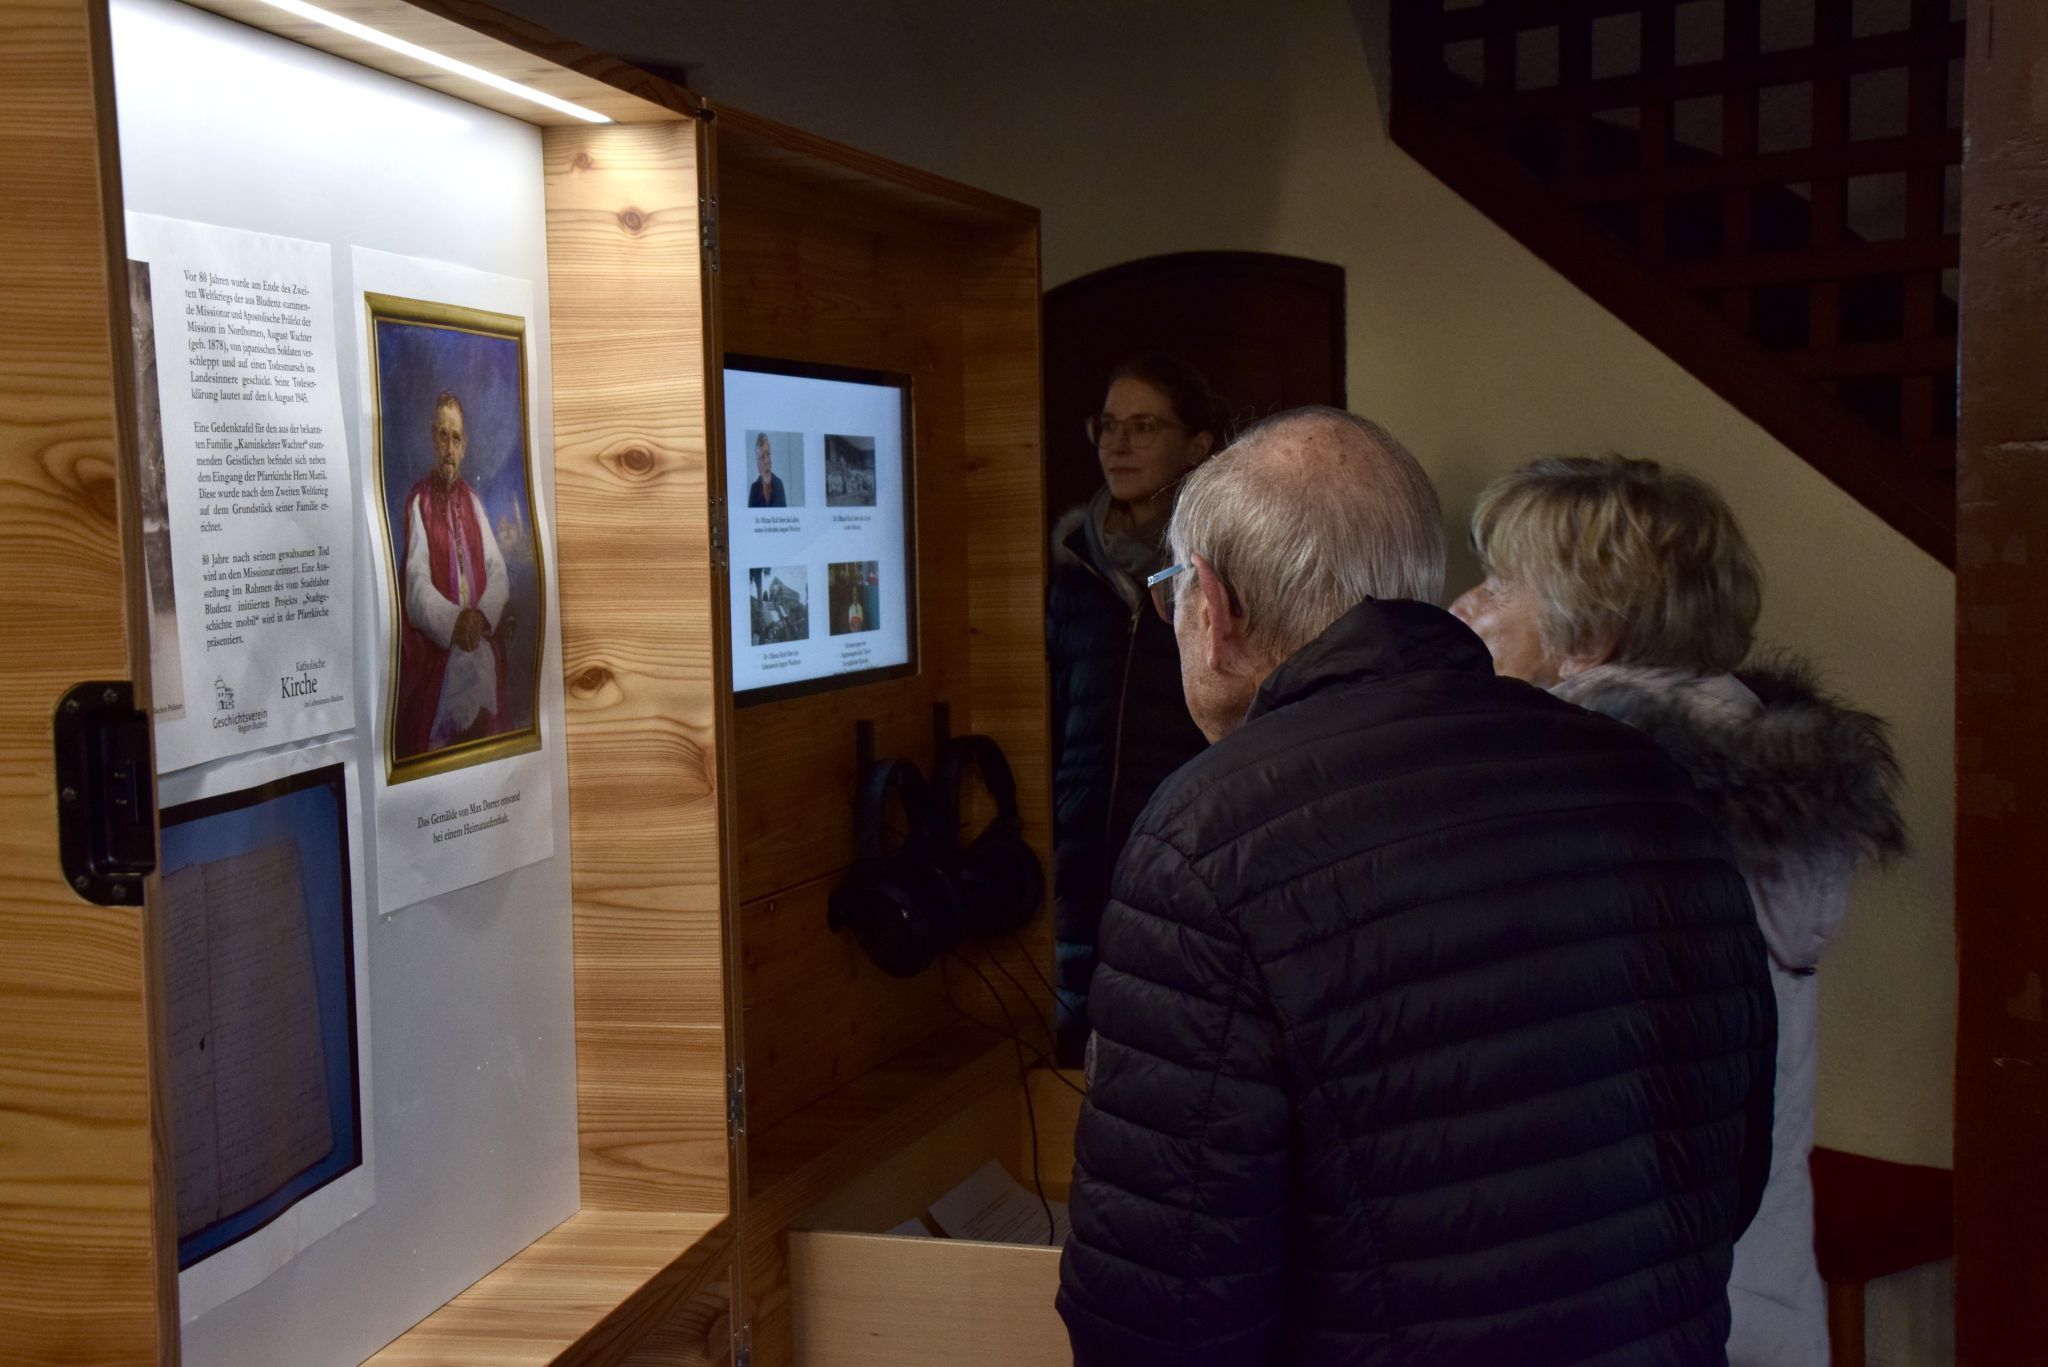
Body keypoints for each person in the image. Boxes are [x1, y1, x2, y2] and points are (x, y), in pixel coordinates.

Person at [1057, 407, 1778, 1367]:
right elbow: (1727, 1178)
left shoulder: (1208, 835)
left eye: (1168, 592)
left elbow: (1157, 1312)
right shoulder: (1648, 779)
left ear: (1214, 605)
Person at [1450, 455, 1905, 1367]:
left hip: (1621, 1306)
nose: (1467, 603)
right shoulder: (1751, 783)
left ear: (1597, 628)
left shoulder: (1582, 793)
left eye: (1501, 581)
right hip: (1757, 1287)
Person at [1046, 353, 1224, 1061]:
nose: (1117, 446)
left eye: (1144, 426)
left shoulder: (1220, 565)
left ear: (1198, 444)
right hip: (1077, 857)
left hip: (1182, 858)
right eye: (1108, 425)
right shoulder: (1070, 567)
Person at [396, 389, 512, 759]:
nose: (449, 446)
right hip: (442, 656)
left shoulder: (474, 503)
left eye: (456, 438)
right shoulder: (420, 501)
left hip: (479, 645)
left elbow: (499, 572)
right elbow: (415, 587)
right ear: (433, 439)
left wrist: (481, 616)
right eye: (443, 436)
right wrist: (455, 621)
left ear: (464, 447)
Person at [748, 431, 788, 508]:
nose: (767, 461)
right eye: (762, 457)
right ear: (758, 466)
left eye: (768, 454)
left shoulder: (779, 484)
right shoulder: (754, 489)